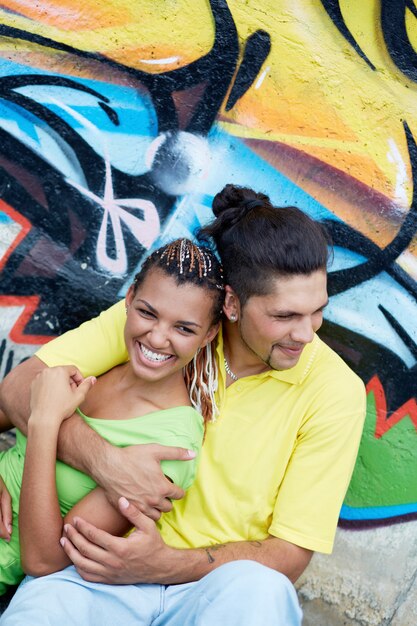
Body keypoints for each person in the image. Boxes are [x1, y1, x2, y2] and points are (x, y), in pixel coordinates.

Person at [0, 185, 366, 626]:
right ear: (231, 304)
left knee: (263, 591)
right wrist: (104, 462)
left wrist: (166, 564)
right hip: (97, 572)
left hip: (211, 587)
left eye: (317, 312)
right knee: (41, 614)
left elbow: (288, 555)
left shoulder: (334, 393)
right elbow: (22, 386)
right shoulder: (171, 320)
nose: (307, 335)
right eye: (285, 316)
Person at [0, 238, 224, 595]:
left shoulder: (172, 444)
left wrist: (45, 425)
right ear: (130, 298)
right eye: (147, 313)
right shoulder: (102, 365)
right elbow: (7, 402)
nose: (157, 337)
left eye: (183, 328)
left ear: (209, 334)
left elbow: (43, 561)